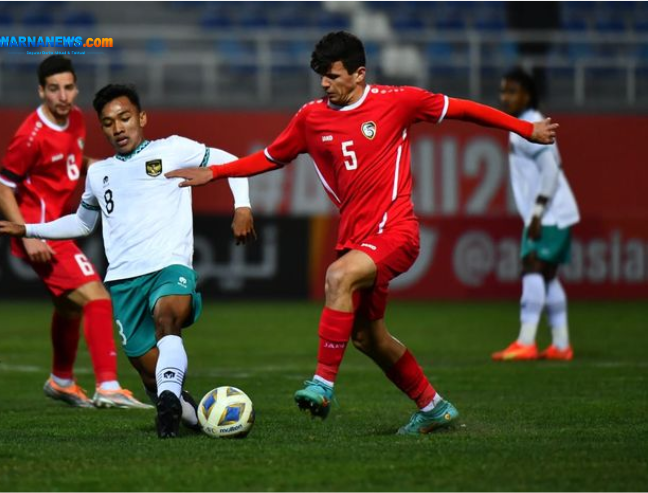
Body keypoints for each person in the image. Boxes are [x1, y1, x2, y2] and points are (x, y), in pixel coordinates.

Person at [166, 31, 559, 435]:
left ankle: (322, 384)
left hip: (397, 230)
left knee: (338, 276)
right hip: (355, 238)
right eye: (321, 75)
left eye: (333, 76)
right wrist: (216, 172)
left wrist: (525, 130)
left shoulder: (398, 101)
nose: (324, 83)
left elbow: (463, 110)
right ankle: (434, 407)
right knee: (370, 338)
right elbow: (270, 157)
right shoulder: (310, 118)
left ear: (359, 74)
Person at [0, 83, 255, 438]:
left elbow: (229, 160)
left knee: (167, 320)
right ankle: (186, 413)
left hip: (169, 267)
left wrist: (243, 206)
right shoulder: (99, 173)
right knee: (151, 377)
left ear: (141, 118)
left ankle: (170, 403)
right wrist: (26, 229)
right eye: (109, 122)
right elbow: (82, 222)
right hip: (125, 282)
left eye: (125, 118)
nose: (118, 127)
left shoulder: (172, 149)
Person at [0, 56, 149, 409]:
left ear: (75, 88)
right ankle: (108, 386)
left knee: (69, 308)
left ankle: (62, 380)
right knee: (96, 298)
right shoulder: (29, 137)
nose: (62, 96)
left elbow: (71, 164)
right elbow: (1, 189)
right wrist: (29, 235)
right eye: (53, 89)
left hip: (57, 230)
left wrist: (112, 168)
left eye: (67, 87)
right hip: (41, 233)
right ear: (41, 91)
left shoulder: (77, 119)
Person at [492, 67, 579, 361]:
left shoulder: (529, 124)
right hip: (556, 212)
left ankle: (526, 341)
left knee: (531, 267)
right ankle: (561, 344)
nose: (505, 97)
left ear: (527, 94)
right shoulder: (523, 123)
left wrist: (539, 212)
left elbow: (551, 172)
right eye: (503, 91)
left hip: (549, 214)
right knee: (549, 277)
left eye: (512, 91)